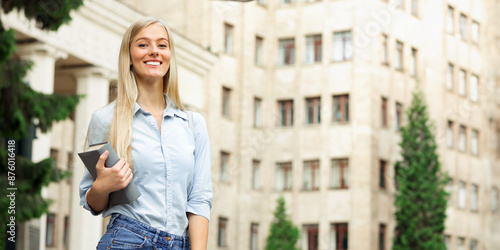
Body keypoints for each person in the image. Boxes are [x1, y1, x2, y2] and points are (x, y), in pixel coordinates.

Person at [79, 16, 213, 250]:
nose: (154, 51)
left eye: (162, 45)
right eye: (143, 45)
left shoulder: (194, 124)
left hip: (180, 242)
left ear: (170, 56)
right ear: (129, 57)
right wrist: (103, 185)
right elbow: (93, 203)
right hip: (127, 238)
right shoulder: (106, 119)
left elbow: (200, 200)